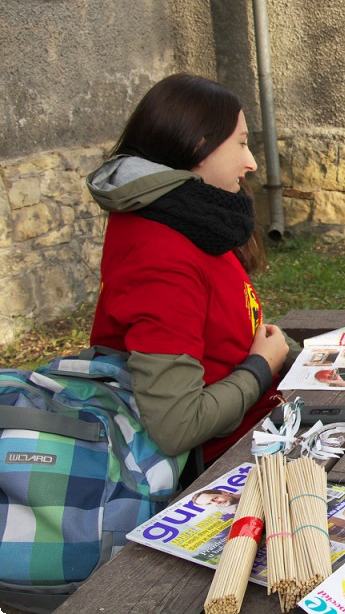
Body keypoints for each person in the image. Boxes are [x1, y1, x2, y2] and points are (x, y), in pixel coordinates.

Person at [88, 73, 293, 465]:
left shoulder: (194, 219)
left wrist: (297, 355)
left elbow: (224, 333)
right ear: (200, 144)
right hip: (223, 462)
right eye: (242, 143)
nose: (250, 162)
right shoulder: (159, 253)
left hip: (259, 424)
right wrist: (262, 366)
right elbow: (176, 425)